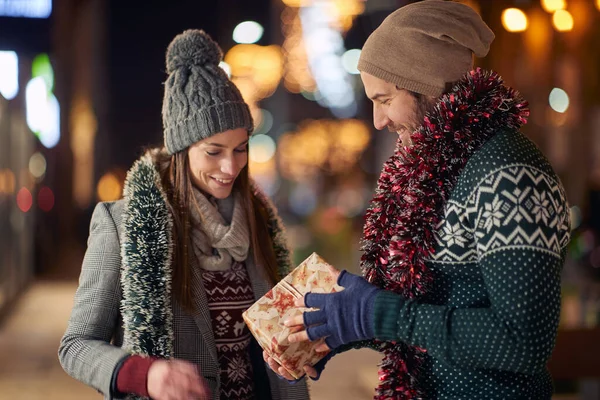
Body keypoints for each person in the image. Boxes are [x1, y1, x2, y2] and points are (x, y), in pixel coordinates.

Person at [264, 1, 572, 399]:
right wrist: (336, 331)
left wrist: (377, 314)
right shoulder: (434, 170)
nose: (378, 120)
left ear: (427, 85)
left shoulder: (509, 175)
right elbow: (428, 319)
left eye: (385, 99)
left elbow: (522, 342)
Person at [59, 29, 309, 400]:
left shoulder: (260, 222)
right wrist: (143, 375)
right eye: (214, 151)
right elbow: (75, 346)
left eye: (241, 148)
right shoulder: (123, 225)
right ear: (181, 148)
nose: (231, 166)